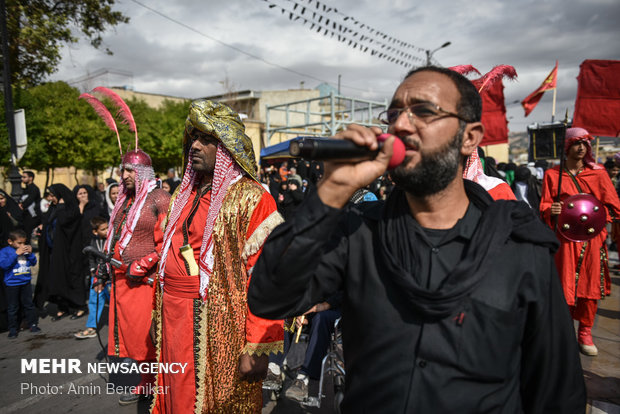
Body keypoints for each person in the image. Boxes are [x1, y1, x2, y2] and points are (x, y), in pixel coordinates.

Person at [249, 66, 586, 413]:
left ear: (470, 138)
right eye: (394, 114)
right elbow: (268, 298)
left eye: (423, 111)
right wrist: (332, 190)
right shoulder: (359, 233)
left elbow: (558, 394)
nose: (402, 125)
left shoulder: (520, 248)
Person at [151, 99, 284, 414]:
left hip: (219, 325)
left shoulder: (253, 199)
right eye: (193, 137)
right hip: (172, 319)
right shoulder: (181, 196)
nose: (194, 146)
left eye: (207, 139)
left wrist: (258, 347)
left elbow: (269, 278)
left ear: (227, 146)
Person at [540, 127, 620, 356]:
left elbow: (614, 207)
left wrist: (596, 214)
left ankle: (585, 331)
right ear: (567, 146)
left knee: (589, 285)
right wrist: (551, 209)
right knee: (564, 285)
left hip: (592, 240)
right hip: (565, 240)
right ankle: (564, 330)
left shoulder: (599, 174)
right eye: (577, 143)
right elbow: (544, 206)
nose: (581, 148)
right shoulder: (553, 175)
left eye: (585, 143)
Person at [105, 147, 170, 405]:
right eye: (123, 169)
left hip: (146, 281)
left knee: (149, 336)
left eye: (130, 169)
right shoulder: (126, 200)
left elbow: (169, 242)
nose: (125, 174)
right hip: (122, 279)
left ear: (143, 171)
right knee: (132, 337)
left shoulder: (160, 198)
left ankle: (157, 385)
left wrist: (144, 264)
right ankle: (147, 382)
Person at [44, 184, 88, 321]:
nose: (51, 199)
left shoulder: (68, 208)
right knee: (59, 277)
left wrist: (62, 206)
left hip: (70, 251)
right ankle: (63, 307)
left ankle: (80, 306)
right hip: (57, 250)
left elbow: (65, 221)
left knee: (73, 276)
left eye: (53, 195)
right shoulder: (55, 207)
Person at [0, 229, 40, 338]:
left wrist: (31, 254)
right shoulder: (5, 252)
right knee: (13, 307)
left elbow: (33, 262)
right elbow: (4, 265)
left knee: (29, 305)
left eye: (24, 243)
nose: (22, 245)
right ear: (10, 241)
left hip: (25, 282)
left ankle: (32, 324)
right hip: (12, 284)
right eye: (19, 243)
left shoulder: (26, 251)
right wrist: (16, 254)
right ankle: (13, 329)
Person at [75, 217, 110, 339]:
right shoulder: (93, 242)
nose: (107, 231)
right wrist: (93, 272)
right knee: (95, 301)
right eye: (103, 229)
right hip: (97, 278)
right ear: (95, 232)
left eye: (107, 227)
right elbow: (91, 259)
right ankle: (91, 327)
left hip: (111, 278)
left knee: (117, 302)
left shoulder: (112, 241)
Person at [19, 171, 41, 242]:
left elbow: (29, 200)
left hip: (33, 215)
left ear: (30, 178)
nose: (22, 179)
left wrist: (22, 205)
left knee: (28, 235)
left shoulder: (34, 189)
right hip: (26, 215)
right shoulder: (26, 189)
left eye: (24, 177)